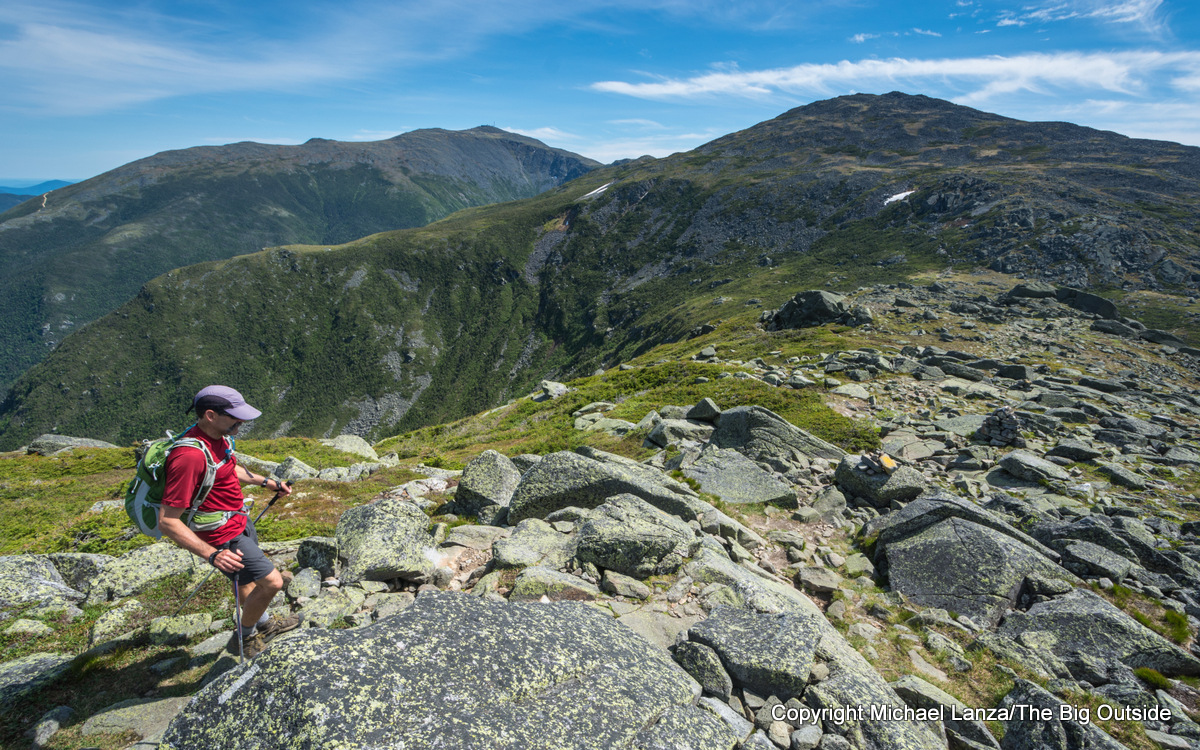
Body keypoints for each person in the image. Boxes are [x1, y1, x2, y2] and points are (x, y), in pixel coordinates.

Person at [158, 385, 302, 658]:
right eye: (235, 417)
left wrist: (268, 483)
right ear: (210, 415)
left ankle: (263, 623)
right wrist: (213, 555)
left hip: (237, 520)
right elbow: (167, 521)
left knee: (247, 582)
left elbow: (227, 467)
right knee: (272, 582)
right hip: (222, 535)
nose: (242, 422)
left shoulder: (217, 438)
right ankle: (243, 638)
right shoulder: (188, 457)